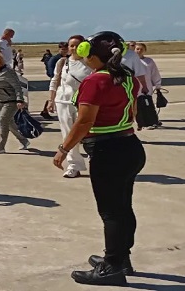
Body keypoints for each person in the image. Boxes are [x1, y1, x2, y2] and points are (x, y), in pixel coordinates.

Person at [52, 31, 145, 286]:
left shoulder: (95, 82)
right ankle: (120, 257)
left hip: (107, 151)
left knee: (111, 213)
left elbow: (84, 122)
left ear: (92, 56)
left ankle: (112, 267)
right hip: (130, 146)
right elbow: (133, 110)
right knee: (123, 207)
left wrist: (63, 148)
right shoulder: (127, 77)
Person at [46, 35, 93, 178]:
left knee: (87, 133)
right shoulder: (62, 62)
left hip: (84, 103)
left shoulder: (90, 63)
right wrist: (51, 100)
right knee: (68, 134)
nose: (73, 48)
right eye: (71, 45)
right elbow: (55, 81)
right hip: (64, 101)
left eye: (77, 45)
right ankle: (74, 165)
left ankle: (95, 160)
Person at [0, 51, 30, 154]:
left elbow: (17, 87)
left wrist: (20, 99)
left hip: (10, 101)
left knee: (2, 122)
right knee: (9, 124)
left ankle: (0, 147)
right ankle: (24, 141)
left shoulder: (8, 72)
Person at [135, 42, 163, 127]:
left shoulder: (149, 61)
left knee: (148, 105)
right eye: (137, 49)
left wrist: (158, 85)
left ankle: (152, 121)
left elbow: (155, 73)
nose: (139, 51)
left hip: (146, 88)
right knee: (137, 107)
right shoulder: (131, 61)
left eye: (141, 49)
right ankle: (140, 122)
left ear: (144, 51)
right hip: (135, 88)